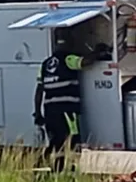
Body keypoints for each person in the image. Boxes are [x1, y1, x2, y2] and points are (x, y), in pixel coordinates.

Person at [34, 34, 110, 170]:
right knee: (73, 140)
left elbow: (39, 91)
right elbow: (85, 62)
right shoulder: (68, 59)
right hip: (67, 112)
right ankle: (72, 169)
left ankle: (55, 168)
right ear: (69, 45)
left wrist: (38, 113)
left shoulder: (45, 64)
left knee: (56, 141)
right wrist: (98, 52)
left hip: (50, 111)